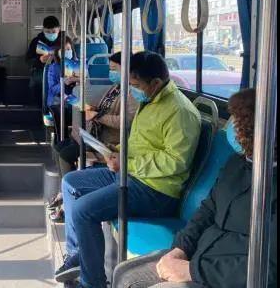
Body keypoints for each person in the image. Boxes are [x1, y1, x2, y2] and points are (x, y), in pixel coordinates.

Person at [55, 51, 202, 288]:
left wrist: (126, 163)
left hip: (156, 191)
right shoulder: (150, 100)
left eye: (135, 85)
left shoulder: (179, 112)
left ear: (155, 83)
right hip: (131, 174)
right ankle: (79, 255)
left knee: (83, 211)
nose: (132, 90)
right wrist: (116, 152)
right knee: (71, 183)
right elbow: (141, 142)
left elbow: (176, 161)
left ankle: (92, 283)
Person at [113, 88, 277, 288]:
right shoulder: (236, 163)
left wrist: (192, 271)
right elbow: (208, 210)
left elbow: (269, 268)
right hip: (201, 254)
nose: (232, 128)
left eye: (239, 122)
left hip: (229, 276)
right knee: (124, 273)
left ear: (257, 131)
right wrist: (180, 248)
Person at [48, 52, 138, 220]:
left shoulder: (132, 94)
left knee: (66, 153)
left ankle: (68, 198)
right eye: (110, 69)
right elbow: (105, 107)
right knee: (60, 146)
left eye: (114, 69)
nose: (111, 73)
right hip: (97, 134)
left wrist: (99, 116)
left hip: (110, 141)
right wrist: (93, 109)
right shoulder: (116, 88)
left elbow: (128, 121)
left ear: (126, 69)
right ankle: (64, 191)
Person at [27, 16, 62, 107]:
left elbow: (72, 57)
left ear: (59, 29)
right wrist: (39, 59)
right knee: (38, 81)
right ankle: (39, 107)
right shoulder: (36, 41)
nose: (51, 34)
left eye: (53, 32)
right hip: (41, 70)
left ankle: (56, 107)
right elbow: (28, 59)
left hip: (60, 71)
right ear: (43, 30)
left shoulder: (64, 41)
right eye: (48, 32)